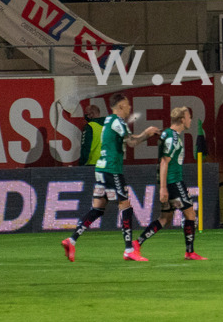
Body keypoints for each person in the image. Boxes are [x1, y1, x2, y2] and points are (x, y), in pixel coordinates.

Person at [61, 94, 160, 262]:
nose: (130, 108)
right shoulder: (117, 122)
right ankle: (129, 249)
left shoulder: (107, 121)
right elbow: (132, 142)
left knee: (98, 209)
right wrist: (147, 133)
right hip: (111, 169)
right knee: (125, 206)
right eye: (127, 105)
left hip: (101, 168)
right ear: (120, 107)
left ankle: (71, 240)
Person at [134, 107, 207, 260]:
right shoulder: (173, 138)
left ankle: (137, 243)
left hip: (170, 182)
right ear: (182, 120)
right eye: (188, 117)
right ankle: (190, 252)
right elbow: (164, 162)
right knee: (190, 214)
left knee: (165, 219)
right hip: (173, 182)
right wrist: (163, 188)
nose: (190, 120)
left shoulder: (168, 133)